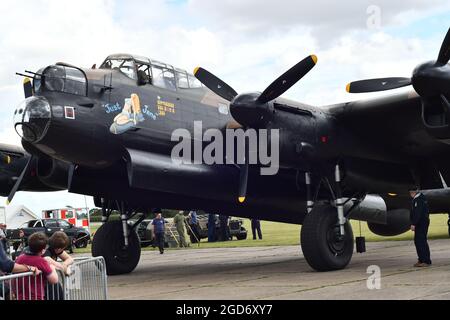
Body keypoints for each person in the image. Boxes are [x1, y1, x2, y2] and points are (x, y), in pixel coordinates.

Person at [14, 232, 59, 300]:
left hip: (20, 296)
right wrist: (52, 267)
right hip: (36, 296)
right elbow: (54, 280)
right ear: (43, 251)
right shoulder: (41, 261)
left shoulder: (20, 258)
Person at [410, 188, 432, 267]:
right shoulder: (420, 198)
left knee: (421, 241)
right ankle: (421, 259)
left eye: (411, 193)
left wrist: (413, 223)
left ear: (414, 192)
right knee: (418, 241)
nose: (410, 195)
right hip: (422, 222)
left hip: (421, 223)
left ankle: (425, 260)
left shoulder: (418, 200)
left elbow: (417, 213)